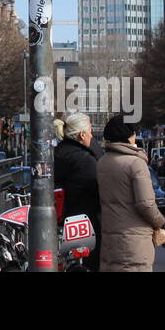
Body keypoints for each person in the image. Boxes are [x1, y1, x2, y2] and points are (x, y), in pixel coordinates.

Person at [96, 115, 165, 272]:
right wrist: (160, 222)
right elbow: (146, 204)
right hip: (134, 239)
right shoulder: (136, 163)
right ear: (128, 135)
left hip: (110, 237)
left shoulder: (102, 162)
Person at [54, 112, 103, 270]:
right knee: (90, 264)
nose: (92, 136)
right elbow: (99, 189)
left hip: (64, 221)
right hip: (86, 223)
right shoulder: (85, 159)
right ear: (82, 134)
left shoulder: (59, 153)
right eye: (90, 132)